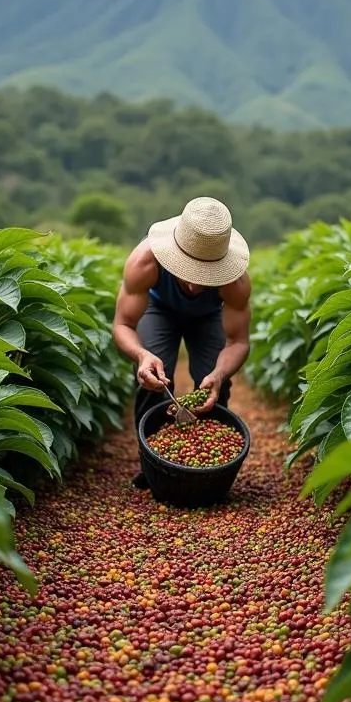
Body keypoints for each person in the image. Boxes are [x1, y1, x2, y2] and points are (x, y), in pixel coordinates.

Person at [112, 197, 252, 488]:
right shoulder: (144, 262)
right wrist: (141, 355)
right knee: (154, 381)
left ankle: (210, 468)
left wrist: (219, 374)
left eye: (206, 275)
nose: (194, 285)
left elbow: (237, 341)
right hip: (158, 309)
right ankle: (154, 464)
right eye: (187, 271)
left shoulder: (235, 283)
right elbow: (123, 325)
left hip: (209, 315)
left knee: (212, 385)